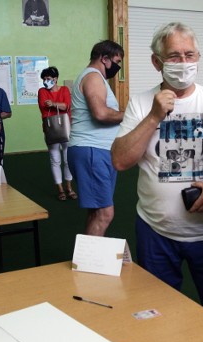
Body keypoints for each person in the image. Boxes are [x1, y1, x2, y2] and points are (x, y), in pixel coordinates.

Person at [111, 22, 203, 324]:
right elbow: (121, 160)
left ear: (198, 58)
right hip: (156, 231)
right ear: (156, 61)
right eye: (174, 56)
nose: (183, 63)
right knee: (157, 316)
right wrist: (154, 117)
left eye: (190, 55)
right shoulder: (141, 103)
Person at [68, 40, 125, 236]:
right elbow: (100, 114)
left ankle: (85, 258)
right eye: (116, 61)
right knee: (105, 213)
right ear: (104, 58)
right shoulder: (93, 77)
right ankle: (90, 264)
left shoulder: (97, 79)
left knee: (96, 211)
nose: (117, 67)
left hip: (97, 151)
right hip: (91, 150)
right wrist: (132, 114)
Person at [37, 66, 77, 201]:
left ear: (55, 79)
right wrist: (57, 105)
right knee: (55, 160)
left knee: (67, 159)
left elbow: (66, 106)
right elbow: (43, 107)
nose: (45, 82)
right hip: (50, 129)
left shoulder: (64, 90)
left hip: (66, 128)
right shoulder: (42, 91)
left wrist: (53, 104)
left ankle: (69, 187)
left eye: (48, 79)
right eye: (44, 79)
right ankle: (60, 189)